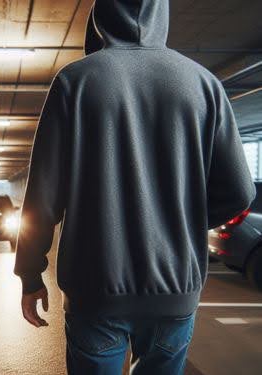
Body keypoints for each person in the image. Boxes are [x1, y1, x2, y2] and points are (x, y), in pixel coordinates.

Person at [14, 0, 256, 374]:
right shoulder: (203, 84)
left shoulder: (74, 82)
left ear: (100, 16)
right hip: (175, 289)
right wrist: (180, 219)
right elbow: (239, 191)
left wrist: (31, 274)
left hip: (95, 289)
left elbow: (43, 199)